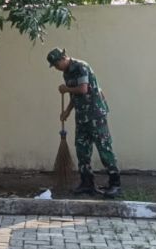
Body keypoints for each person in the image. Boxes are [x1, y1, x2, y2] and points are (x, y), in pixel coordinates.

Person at [47, 48, 121, 198]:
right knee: (82, 149)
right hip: (82, 116)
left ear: (63, 58)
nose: (56, 68)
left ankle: (115, 184)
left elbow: (82, 89)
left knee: (104, 148)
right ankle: (87, 183)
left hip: (95, 115)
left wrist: (66, 89)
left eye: (56, 64)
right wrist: (68, 110)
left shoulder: (81, 67)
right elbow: (75, 95)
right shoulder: (66, 73)